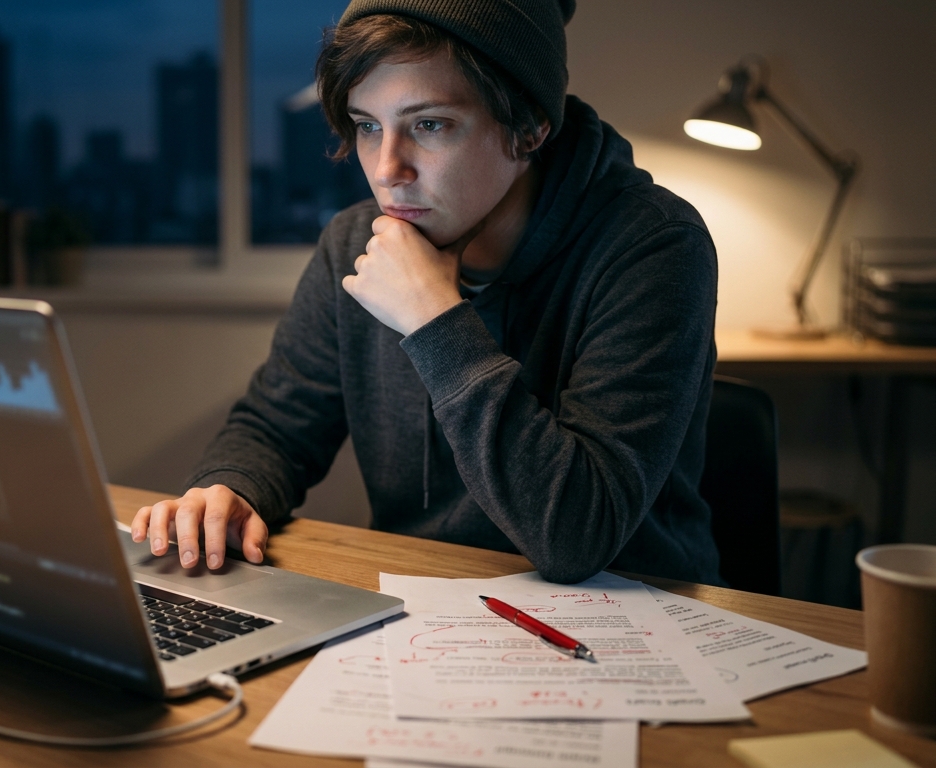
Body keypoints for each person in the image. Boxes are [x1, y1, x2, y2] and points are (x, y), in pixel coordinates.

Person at [131, 0, 723, 585]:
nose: (388, 168)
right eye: (368, 126)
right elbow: (276, 426)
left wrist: (436, 321)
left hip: (633, 622)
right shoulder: (353, 244)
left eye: (429, 124)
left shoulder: (655, 247)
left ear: (529, 126)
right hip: (423, 612)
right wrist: (229, 489)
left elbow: (575, 537)